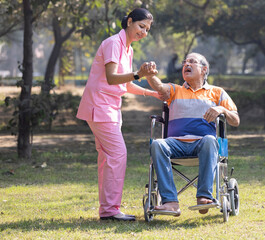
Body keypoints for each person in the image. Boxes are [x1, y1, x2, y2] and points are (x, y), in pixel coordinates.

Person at [76, 8, 162, 222]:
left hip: (110, 107)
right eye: (141, 26)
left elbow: (126, 84)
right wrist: (139, 73)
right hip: (100, 106)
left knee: (107, 158)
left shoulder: (128, 48)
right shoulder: (114, 42)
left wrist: (152, 92)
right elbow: (112, 77)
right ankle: (110, 210)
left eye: (147, 29)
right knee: (118, 154)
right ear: (130, 22)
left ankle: (107, 210)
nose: (144, 32)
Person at [145, 52, 240, 216]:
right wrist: (149, 76)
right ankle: (170, 202)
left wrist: (221, 109)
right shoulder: (175, 90)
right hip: (175, 145)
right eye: (184, 62)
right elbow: (159, 87)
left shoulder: (217, 92)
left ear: (204, 69)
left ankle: (204, 197)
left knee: (210, 140)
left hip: (203, 145)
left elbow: (235, 120)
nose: (186, 65)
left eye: (192, 62)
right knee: (158, 144)